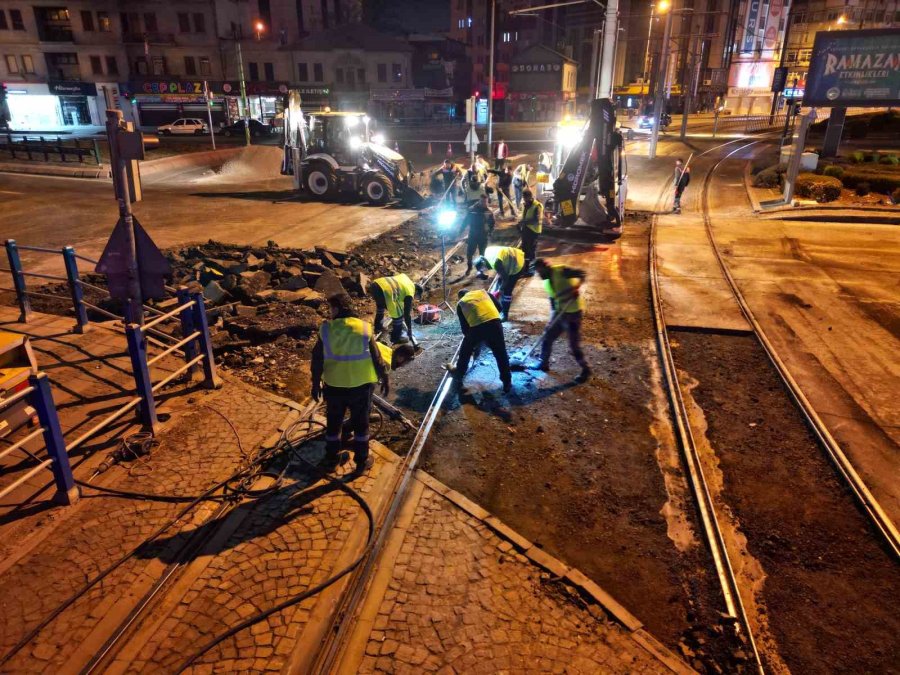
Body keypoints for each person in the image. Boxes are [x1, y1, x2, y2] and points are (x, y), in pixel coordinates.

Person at [311, 293, 389, 472]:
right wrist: (385, 377)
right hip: (361, 388)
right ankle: (361, 461)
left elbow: (317, 360)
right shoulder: (364, 328)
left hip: (334, 387)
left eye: (331, 308)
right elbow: (377, 358)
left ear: (338, 309)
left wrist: (315, 384)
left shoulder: (326, 330)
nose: (330, 312)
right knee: (361, 425)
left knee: (333, 423)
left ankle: (331, 459)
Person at [534, 259, 590, 383]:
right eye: (537, 273)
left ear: (546, 267)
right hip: (560, 314)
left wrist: (576, 287)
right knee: (547, 337)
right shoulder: (547, 282)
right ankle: (544, 363)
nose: (539, 275)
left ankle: (585, 369)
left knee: (573, 345)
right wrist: (551, 320)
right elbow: (553, 303)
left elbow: (582, 274)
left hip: (573, 314)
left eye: (540, 271)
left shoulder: (562, 271)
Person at [447, 288, 512, 395]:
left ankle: (459, 374)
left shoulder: (461, 303)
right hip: (495, 323)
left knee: (465, 351)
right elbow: (499, 308)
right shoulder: (484, 293)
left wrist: (473, 343)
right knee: (501, 353)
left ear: (461, 297)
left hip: (476, 328)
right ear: (470, 292)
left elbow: (465, 329)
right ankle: (507, 382)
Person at [474, 245, 525, 320]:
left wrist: (500, 290)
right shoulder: (487, 252)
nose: (485, 270)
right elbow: (500, 270)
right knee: (500, 282)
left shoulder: (496, 263)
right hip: (516, 254)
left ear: (483, 263)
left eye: (483, 268)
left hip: (517, 265)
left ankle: (505, 315)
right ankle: (499, 306)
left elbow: (506, 278)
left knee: (506, 291)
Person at [369, 273, 420, 345]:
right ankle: (395, 338)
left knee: (381, 306)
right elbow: (407, 314)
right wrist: (409, 329)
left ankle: (378, 327)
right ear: (416, 291)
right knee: (398, 316)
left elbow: (399, 295)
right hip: (385, 291)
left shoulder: (406, 278)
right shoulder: (410, 292)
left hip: (375, 285)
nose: (414, 298)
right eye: (416, 296)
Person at [460, 193, 495, 276]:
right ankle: (469, 267)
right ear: (479, 201)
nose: (484, 203)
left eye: (485, 202)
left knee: (482, 254)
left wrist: (490, 232)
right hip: (473, 234)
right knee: (469, 253)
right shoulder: (472, 210)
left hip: (483, 235)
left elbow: (492, 223)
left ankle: (480, 270)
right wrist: (461, 230)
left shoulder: (489, 212)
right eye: (483, 201)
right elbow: (466, 221)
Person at [518, 189, 543, 275]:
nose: (524, 200)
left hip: (534, 231)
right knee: (525, 250)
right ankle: (526, 268)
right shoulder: (526, 204)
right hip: (526, 230)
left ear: (529, 197)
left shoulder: (537, 206)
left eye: (525, 198)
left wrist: (524, 222)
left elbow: (536, 220)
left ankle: (531, 270)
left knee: (531, 250)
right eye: (524, 198)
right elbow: (525, 216)